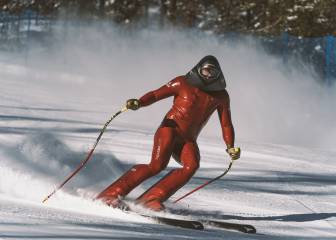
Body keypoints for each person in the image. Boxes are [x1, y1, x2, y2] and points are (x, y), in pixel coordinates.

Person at [96, 55, 240, 211]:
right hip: (169, 130)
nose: (209, 76)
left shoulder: (221, 96)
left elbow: (226, 124)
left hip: (188, 139)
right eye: (206, 71)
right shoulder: (182, 82)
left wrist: (230, 146)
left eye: (213, 73)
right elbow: (156, 94)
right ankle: (110, 194)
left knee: (191, 166)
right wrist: (139, 102)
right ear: (199, 69)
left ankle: (150, 199)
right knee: (156, 165)